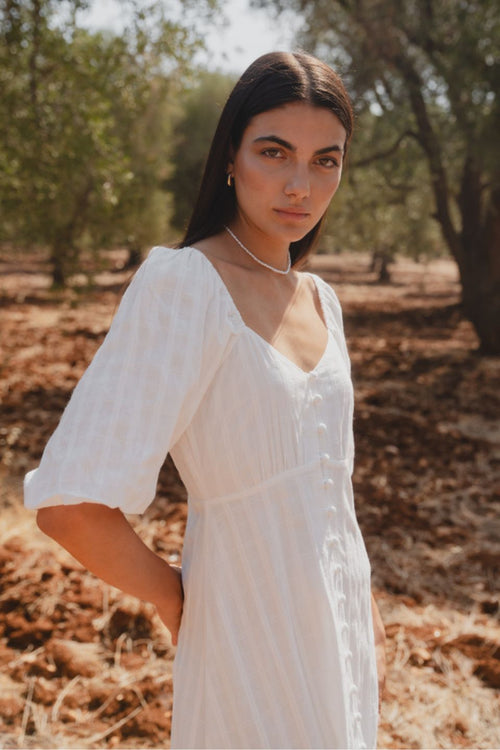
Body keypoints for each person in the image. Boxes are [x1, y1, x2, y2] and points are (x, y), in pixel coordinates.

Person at [24, 51, 386, 749]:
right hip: (244, 630)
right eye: (274, 152)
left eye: (325, 161)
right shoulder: (185, 286)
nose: (299, 185)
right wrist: (175, 597)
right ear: (228, 157)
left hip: (340, 628)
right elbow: (70, 505)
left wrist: (357, 595)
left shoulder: (322, 299)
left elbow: (325, 480)